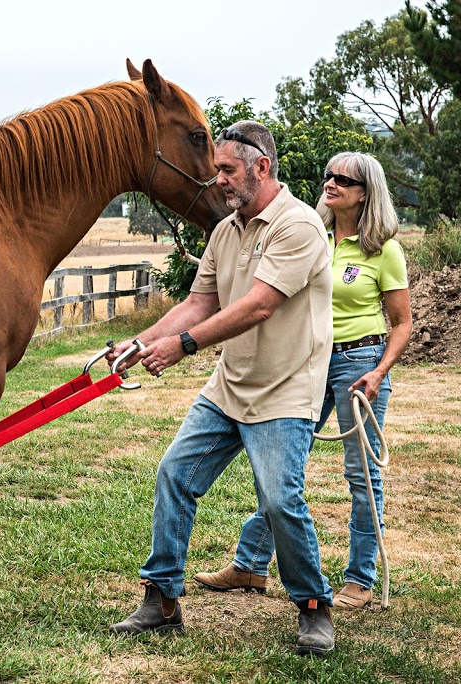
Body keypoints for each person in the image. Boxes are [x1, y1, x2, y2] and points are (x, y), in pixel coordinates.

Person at [107, 121, 336, 656]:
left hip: (285, 391)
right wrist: (138, 344)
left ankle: (312, 607)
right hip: (229, 387)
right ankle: (162, 600)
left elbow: (258, 305)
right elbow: (198, 303)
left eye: (228, 171)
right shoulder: (226, 230)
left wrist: (182, 346)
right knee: (174, 476)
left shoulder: (297, 226)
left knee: (280, 502)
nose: (220, 183)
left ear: (262, 167)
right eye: (217, 172)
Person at [194, 152, 412, 610]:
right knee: (281, 464)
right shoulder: (310, 234)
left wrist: (378, 372)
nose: (330, 183)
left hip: (359, 361)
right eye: (328, 175)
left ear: (365, 192)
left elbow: (402, 322)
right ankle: (252, 564)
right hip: (307, 359)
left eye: (343, 179)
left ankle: (360, 578)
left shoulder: (383, 250)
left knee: (361, 475)